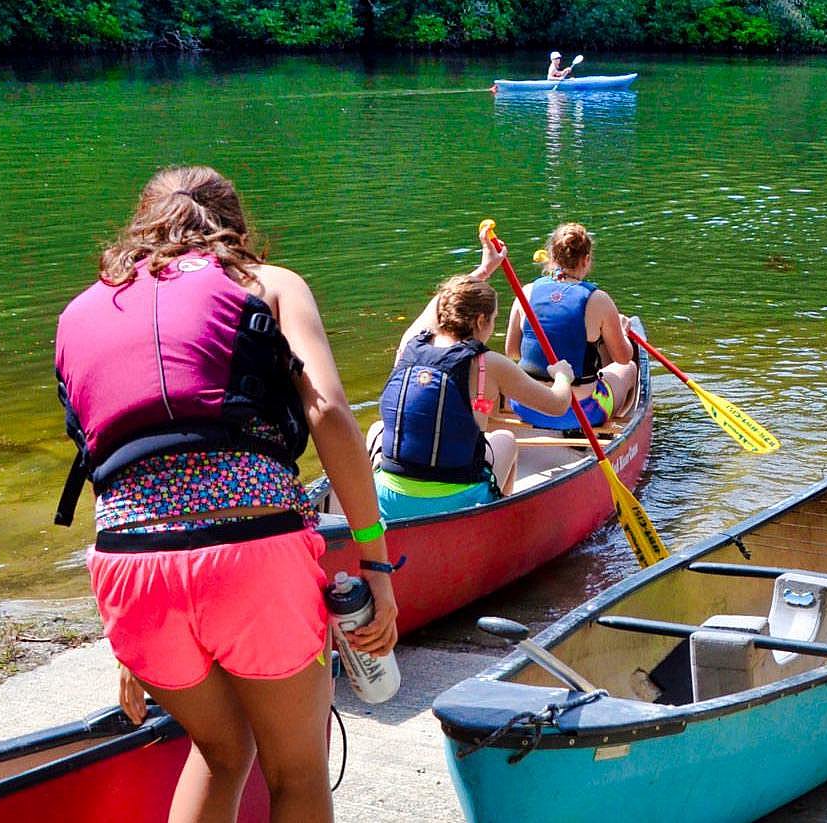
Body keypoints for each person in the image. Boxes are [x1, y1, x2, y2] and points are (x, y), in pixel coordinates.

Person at [54, 165, 398, 822]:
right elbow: (327, 412)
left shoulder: (82, 310)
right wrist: (376, 561)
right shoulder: (267, 284)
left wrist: (131, 643)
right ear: (234, 230)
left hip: (128, 574)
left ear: (141, 226)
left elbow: (111, 467)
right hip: (253, 558)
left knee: (219, 750)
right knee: (296, 766)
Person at [367, 232, 577, 520]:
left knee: (377, 429)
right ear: (481, 321)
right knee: (505, 440)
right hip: (455, 499)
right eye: (492, 320)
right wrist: (563, 375)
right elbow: (556, 404)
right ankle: (495, 521)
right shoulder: (487, 363)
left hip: (387, 498)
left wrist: (484, 269)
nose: (492, 326)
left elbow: (441, 303)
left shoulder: (410, 344)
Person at [503, 223, 641, 431]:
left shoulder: (527, 291)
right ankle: (615, 420)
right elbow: (623, 357)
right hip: (581, 414)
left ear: (551, 257)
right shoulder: (599, 299)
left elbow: (512, 352)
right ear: (586, 260)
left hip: (526, 406)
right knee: (629, 369)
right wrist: (622, 329)